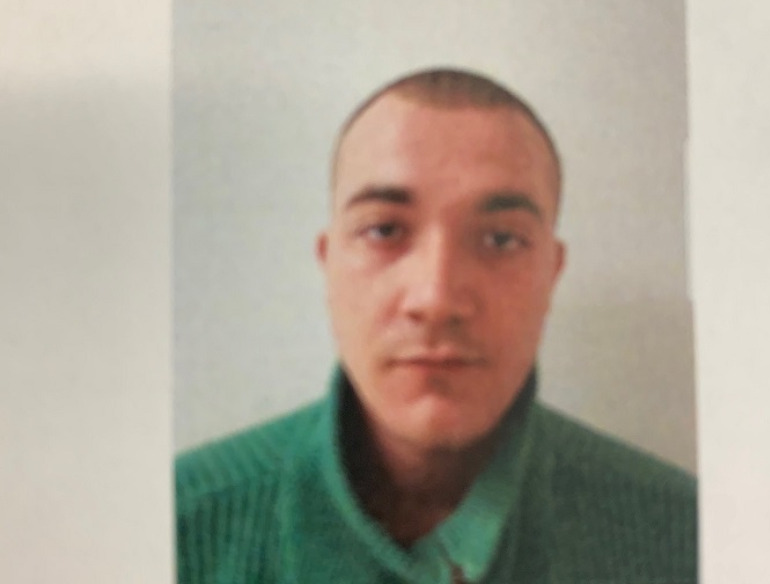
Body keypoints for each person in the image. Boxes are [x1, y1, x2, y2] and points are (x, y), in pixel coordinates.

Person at [175, 68, 697, 584]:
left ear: (551, 274)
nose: (437, 298)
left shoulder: (687, 539)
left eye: (500, 240)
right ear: (328, 264)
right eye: (384, 230)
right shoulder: (177, 528)